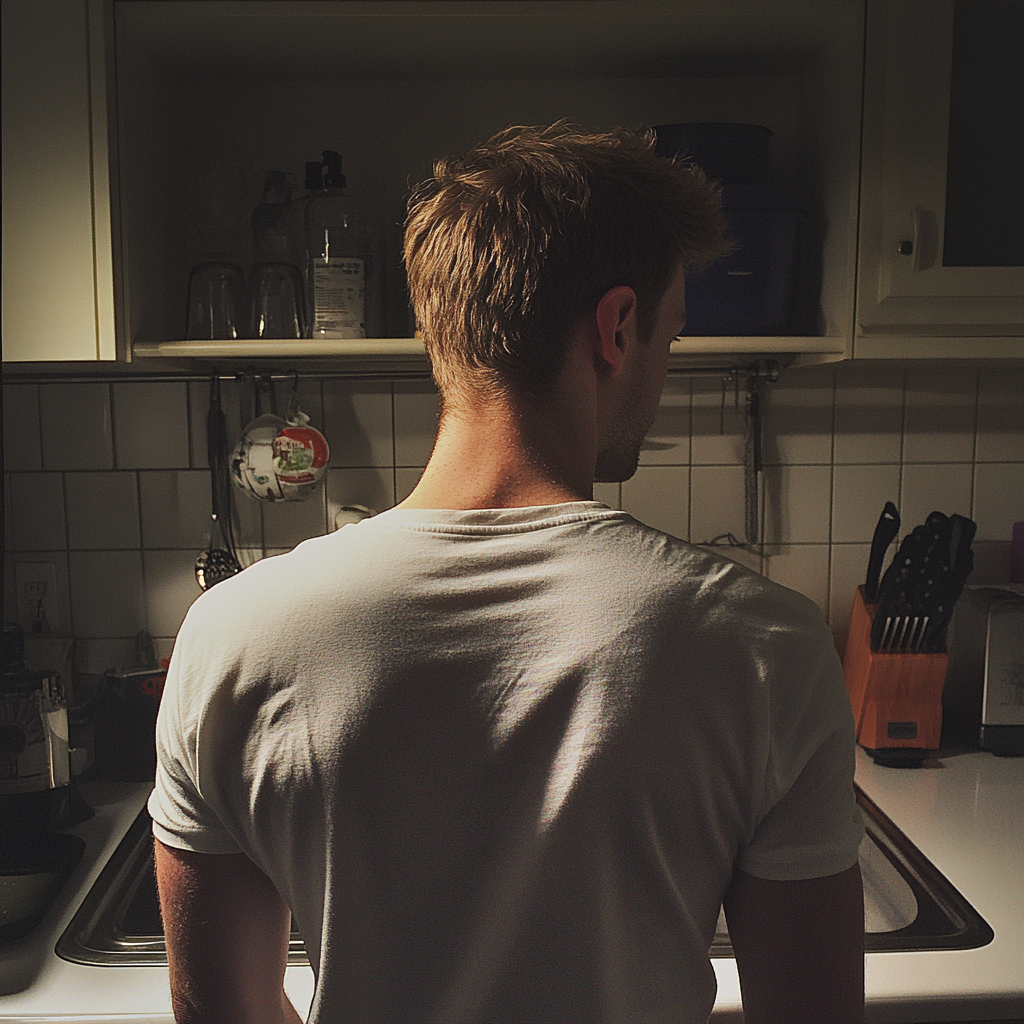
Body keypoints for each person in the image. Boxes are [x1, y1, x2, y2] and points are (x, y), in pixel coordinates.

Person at [151, 123, 865, 1024]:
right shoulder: (764, 649)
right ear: (616, 327)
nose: (664, 375)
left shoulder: (230, 636)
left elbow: (224, 1015)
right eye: (669, 342)